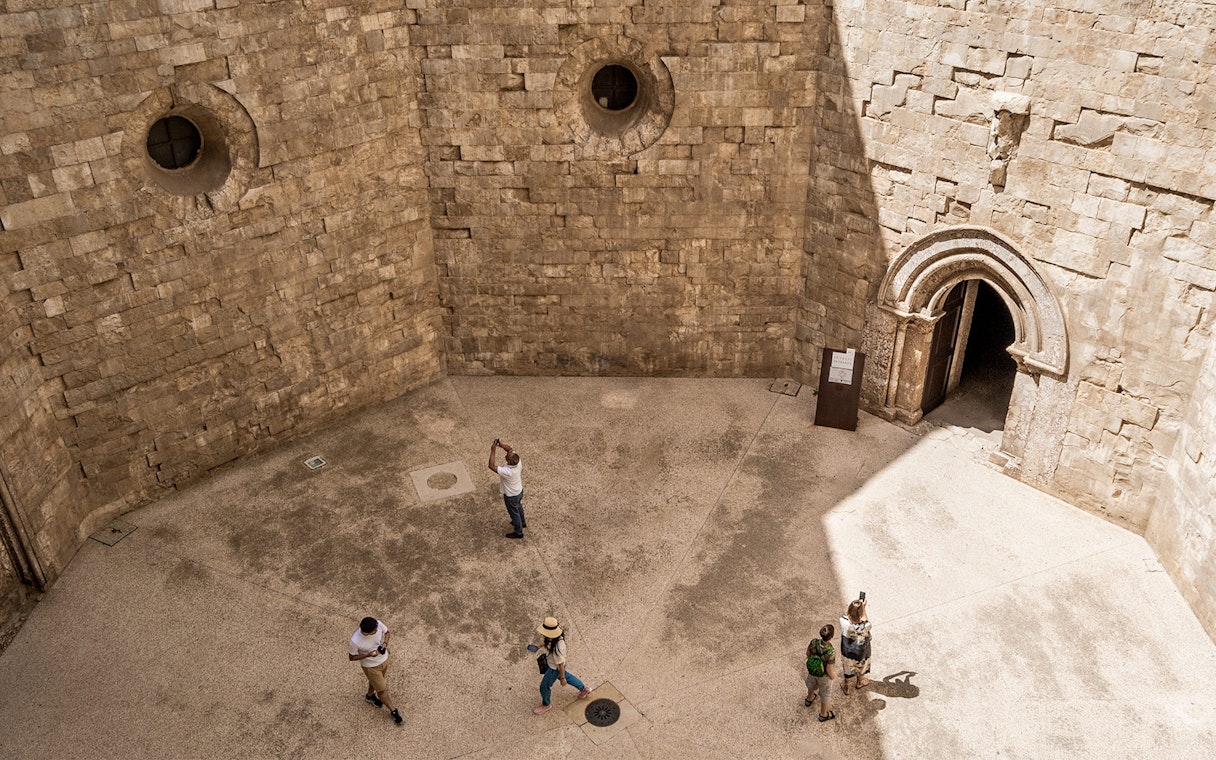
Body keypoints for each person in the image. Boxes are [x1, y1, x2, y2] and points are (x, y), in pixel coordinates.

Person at [348, 616, 403, 724]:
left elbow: (387, 633)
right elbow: (351, 657)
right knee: (382, 690)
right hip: (371, 667)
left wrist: (385, 644)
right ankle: (393, 711)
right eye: (375, 631)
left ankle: (369, 696)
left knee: (375, 681)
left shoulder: (377, 624)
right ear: (367, 633)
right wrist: (368, 655)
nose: (378, 631)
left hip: (384, 659)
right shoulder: (355, 641)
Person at [532, 617, 592, 714]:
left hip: (553, 669)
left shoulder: (558, 648)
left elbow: (560, 664)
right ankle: (583, 689)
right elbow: (549, 643)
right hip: (556, 667)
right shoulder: (556, 638)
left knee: (544, 687)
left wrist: (563, 678)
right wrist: (540, 645)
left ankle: (546, 704)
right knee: (567, 676)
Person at [489, 438, 526, 539]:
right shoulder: (518, 462)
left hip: (511, 496)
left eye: (508, 456)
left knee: (514, 514)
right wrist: (501, 445)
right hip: (519, 491)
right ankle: (523, 522)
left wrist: (493, 450)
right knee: (518, 507)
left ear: (509, 462)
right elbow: (510, 449)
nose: (508, 453)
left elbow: (491, 466)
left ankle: (518, 532)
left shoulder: (507, 471)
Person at [804, 623, 837, 722]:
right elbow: (829, 669)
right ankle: (823, 714)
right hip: (824, 676)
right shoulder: (831, 652)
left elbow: (807, 653)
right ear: (831, 637)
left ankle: (809, 699)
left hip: (812, 671)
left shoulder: (813, 642)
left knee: (811, 684)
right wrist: (833, 676)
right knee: (825, 693)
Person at [839, 598, 872, 695]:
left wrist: (855, 609)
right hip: (861, 651)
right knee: (861, 664)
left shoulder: (843, 621)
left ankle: (847, 686)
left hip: (847, 651)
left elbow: (847, 615)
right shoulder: (866, 626)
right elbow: (866, 621)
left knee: (848, 666)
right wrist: (863, 609)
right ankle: (859, 681)